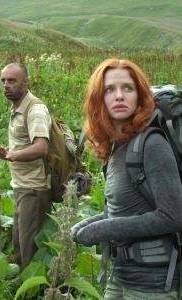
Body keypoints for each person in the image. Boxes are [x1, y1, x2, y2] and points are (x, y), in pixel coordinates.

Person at [71, 58, 182, 299]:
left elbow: (173, 216)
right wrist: (90, 223)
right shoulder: (116, 148)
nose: (119, 96)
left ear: (140, 96)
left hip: (153, 283)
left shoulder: (151, 144)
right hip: (121, 274)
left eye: (127, 88)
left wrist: (104, 228)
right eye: (109, 89)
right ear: (99, 99)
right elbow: (128, 209)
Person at [0, 63, 52, 269]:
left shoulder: (35, 110)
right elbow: (24, 145)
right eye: (3, 81)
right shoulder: (17, 107)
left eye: (12, 80)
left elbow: (41, 147)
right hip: (21, 187)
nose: (6, 85)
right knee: (18, 244)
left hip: (34, 189)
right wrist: (5, 152)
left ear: (26, 82)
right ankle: (23, 287)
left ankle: (35, 290)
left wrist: (10, 155)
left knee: (29, 250)